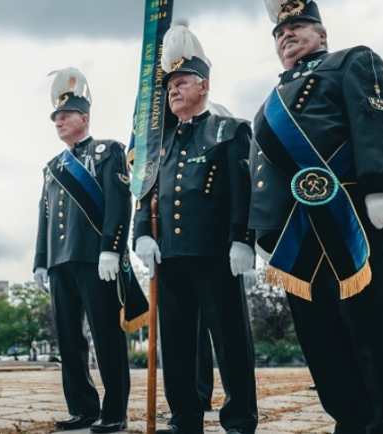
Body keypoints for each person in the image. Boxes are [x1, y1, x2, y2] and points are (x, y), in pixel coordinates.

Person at [249, 1, 383, 432]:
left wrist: (381, 183)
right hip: (296, 234)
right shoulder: (269, 103)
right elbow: (263, 173)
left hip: (351, 219)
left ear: (322, 34)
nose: (287, 34)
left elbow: (376, 117)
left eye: (299, 25)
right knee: (322, 340)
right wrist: (260, 230)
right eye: (280, 31)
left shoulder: (351, 61)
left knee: (375, 332)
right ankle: (351, 420)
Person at [134, 20, 258, 434]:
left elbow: (244, 191)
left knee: (231, 343)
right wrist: (142, 234)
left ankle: (240, 418)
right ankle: (185, 418)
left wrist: (243, 240)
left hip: (215, 256)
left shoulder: (230, 130)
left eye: (182, 81)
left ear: (204, 85)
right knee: (179, 344)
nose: (173, 89)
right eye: (169, 84)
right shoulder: (160, 144)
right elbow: (144, 191)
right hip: (169, 260)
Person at [33, 67, 144, 434]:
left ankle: (115, 412)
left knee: (107, 335)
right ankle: (82, 408)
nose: (58, 122)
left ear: (84, 117)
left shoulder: (107, 150)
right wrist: (39, 262)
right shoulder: (52, 167)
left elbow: (118, 202)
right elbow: (44, 218)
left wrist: (111, 248)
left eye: (64, 116)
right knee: (69, 341)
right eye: (55, 117)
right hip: (60, 262)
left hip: (96, 260)